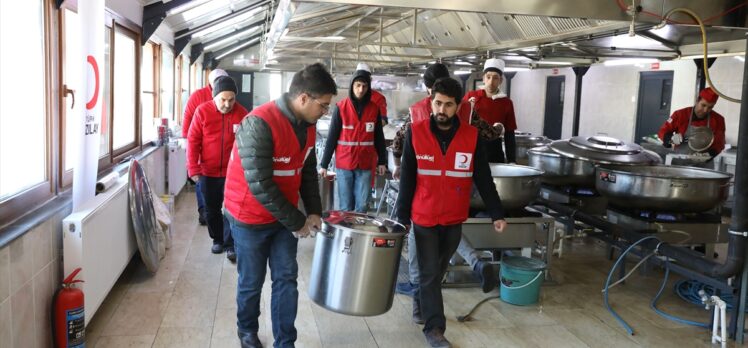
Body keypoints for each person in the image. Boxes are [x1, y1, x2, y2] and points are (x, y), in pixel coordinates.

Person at [223, 63, 336, 348]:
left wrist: (313, 211)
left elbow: (307, 173)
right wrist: (298, 221)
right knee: (252, 281)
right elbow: (260, 183)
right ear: (303, 98)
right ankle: (246, 330)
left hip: (283, 217)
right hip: (248, 216)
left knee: (286, 278)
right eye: (323, 106)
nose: (325, 113)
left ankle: (285, 341)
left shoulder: (309, 128)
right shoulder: (259, 122)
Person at [395, 77, 507, 348]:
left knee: (437, 271)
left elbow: (483, 177)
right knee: (431, 273)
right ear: (430, 102)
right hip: (423, 217)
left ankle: (421, 304)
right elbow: (408, 178)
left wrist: (497, 213)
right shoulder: (416, 132)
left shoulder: (471, 137)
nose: (441, 110)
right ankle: (435, 329)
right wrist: (400, 218)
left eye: (447, 105)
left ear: (458, 106)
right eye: (437, 103)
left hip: (453, 218)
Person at [187, 75, 247, 262]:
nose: (227, 104)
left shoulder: (242, 113)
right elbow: (193, 141)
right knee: (211, 209)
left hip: (233, 172)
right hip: (208, 171)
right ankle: (218, 239)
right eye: (223, 99)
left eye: (231, 100)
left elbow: (248, 142)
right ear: (214, 97)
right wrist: (193, 168)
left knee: (231, 210)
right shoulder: (202, 112)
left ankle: (230, 244)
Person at [319, 64, 387, 213]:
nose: (361, 89)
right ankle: (346, 235)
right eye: (358, 85)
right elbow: (332, 137)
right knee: (345, 206)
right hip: (344, 164)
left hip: (365, 164)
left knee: (362, 205)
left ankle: (359, 235)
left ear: (368, 87)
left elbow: (379, 138)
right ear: (352, 86)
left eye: (364, 86)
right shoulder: (341, 108)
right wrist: (324, 164)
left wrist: (382, 161)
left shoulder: (374, 109)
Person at [183, 69, 229, 226]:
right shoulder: (198, 96)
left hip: (223, 154)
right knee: (201, 182)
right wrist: (186, 138)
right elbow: (188, 116)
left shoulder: (229, 96)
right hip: (202, 145)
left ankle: (217, 213)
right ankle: (204, 211)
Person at [458, 58, 518, 163]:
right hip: (472, 147)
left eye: (495, 78)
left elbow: (509, 133)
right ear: (483, 78)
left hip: (494, 150)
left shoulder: (506, 102)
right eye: (488, 77)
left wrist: (511, 160)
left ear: (500, 80)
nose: (491, 82)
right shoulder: (471, 96)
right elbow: (459, 123)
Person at [658, 87, 726, 160]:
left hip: (704, 165)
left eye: (710, 107)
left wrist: (708, 155)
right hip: (680, 161)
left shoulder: (718, 120)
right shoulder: (680, 115)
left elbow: (719, 144)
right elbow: (663, 131)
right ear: (697, 101)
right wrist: (671, 139)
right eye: (703, 105)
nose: (705, 110)